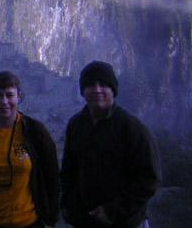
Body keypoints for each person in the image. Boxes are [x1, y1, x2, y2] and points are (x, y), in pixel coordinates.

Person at [61, 61, 159, 228]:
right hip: (87, 221)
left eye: (103, 84)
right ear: (83, 91)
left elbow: (149, 179)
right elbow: (69, 171)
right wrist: (70, 208)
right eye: (91, 85)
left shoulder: (131, 127)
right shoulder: (76, 125)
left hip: (127, 222)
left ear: (113, 90)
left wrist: (112, 211)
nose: (97, 90)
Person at [0, 71, 59, 228]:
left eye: (9, 95)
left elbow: (52, 176)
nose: (4, 101)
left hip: (28, 221)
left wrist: (50, 219)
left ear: (18, 97)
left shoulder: (34, 132)